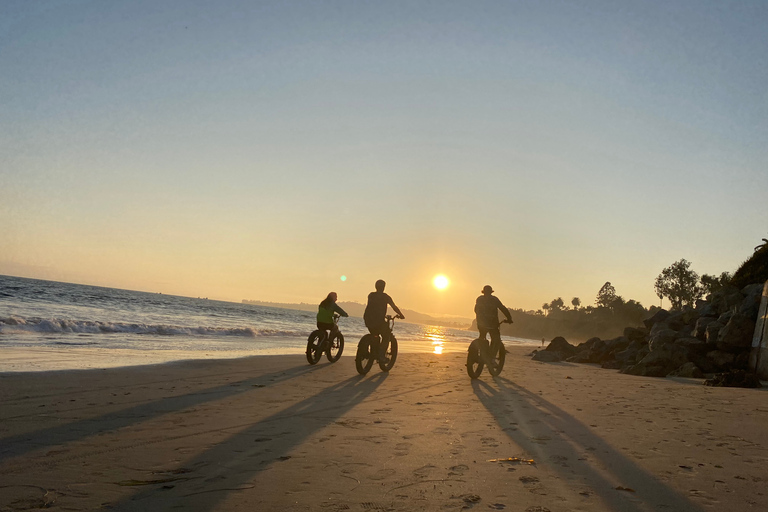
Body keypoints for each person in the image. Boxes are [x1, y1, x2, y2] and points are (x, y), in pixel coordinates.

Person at [363, 280, 404, 361]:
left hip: (368, 319)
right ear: (384, 287)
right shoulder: (386, 297)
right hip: (379, 321)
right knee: (386, 336)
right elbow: (394, 307)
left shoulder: (371, 295)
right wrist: (401, 315)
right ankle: (381, 355)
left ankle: (371, 350)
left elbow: (372, 307)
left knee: (374, 334)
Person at [474, 285, 513, 357]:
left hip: (481, 323)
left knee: (482, 336)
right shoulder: (494, 299)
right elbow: (503, 308)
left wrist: (480, 319)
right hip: (493, 324)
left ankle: (477, 353)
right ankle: (491, 358)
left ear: (483, 292)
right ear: (491, 292)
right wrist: (509, 318)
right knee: (496, 340)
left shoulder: (479, 299)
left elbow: (476, 310)